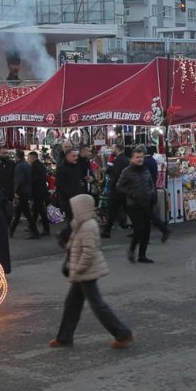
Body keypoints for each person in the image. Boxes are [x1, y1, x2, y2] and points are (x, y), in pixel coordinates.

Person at [50, 194, 134, 349]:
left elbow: (89, 252)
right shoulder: (81, 224)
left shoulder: (88, 226)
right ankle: (64, 338)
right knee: (72, 304)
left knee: (97, 305)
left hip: (86, 271)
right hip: (81, 271)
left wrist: (78, 269)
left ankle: (122, 333)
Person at [116, 148, 155, 263]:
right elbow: (119, 186)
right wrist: (130, 194)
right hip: (133, 204)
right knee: (139, 229)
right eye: (137, 157)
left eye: (141, 157)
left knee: (147, 229)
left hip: (146, 202)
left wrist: (150, 192)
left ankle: (142, 255)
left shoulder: (145, 170)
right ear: (132, 159)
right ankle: (132, 249)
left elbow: (150, 182)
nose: (139, 159)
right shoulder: (127, 171)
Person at [100, 147, 130, 238]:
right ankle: (134, 227)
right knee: (128, 210)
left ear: (117, 149)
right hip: (123, 189)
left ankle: (107, 231)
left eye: (113, 148)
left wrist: (111, 185)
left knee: (112, 211)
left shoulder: (118, 160)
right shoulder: (124, 159)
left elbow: (115, 174)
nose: (111, 150)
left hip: (117, 190)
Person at [144, 147, 172, 243]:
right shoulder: (152, 161)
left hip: (147, 193)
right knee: (148, 215)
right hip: (151, 191)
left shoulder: (146, 163)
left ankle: (164, 229)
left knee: (149, 215)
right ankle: (144, 235)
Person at [10, 149, 35, 237]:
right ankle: (11, 230)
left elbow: (19, 180)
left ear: (17, 156)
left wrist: (16, 191)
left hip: (22, 191)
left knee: (24, 212)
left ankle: (35, 231)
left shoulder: (19, 166)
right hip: (27, 190)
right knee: (21, 212)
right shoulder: (27, 164)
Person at [27, 149, 51, 238]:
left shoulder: (34, 166)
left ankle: (46, 229)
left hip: (37, 192)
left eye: (29, 158)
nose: (28, 160)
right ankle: (32, 226)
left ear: (33, 158)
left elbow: (34, 179)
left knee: (40, 211)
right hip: (42, 191)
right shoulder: (41, 165)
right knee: (36, 210)